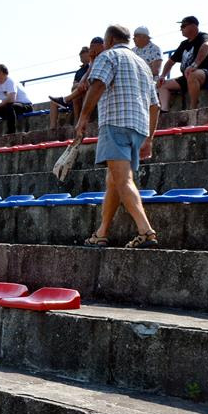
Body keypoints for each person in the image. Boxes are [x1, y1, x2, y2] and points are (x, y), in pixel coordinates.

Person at [74, 24, 160, 249]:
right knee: (113, 180)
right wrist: (149, 138)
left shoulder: (108, 56)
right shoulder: (143, 64)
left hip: (115, 123)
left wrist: (83, 118)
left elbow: (97, 85)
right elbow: (155, 106)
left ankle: (146, 231)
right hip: (138, 127)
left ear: (110, 40)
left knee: (123, 180)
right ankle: (102, 232)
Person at [157, 16, 208, 112]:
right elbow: (170, 62)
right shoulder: (184, 44)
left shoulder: (203, 36)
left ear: (194, 26)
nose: (181, 29)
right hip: (188, 77)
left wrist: (194, 65)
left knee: (192, 75)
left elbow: (206, 46)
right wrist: (162, 76)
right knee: (162, 85)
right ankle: (164, 109)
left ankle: (193, 108)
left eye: (183, 26)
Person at [49, 45, 93, 129]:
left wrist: (80, 84)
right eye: (81, 53)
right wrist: (79, 84)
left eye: (84, 52)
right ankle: (52, 129)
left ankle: (77, 121)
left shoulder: (93, 67)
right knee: (53, 102)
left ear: (89, 53)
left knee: (79, 92)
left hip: (87, 94)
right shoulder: (79, 72)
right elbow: (73, 86)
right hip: (76, 93)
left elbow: (91, 82)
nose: (81, 54)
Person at [0, 64, 32, 137]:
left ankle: (11, 133)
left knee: (9, 106)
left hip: (25, 105)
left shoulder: (10, 81)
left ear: (0, 73)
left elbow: (11, 99)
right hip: (8, 106)